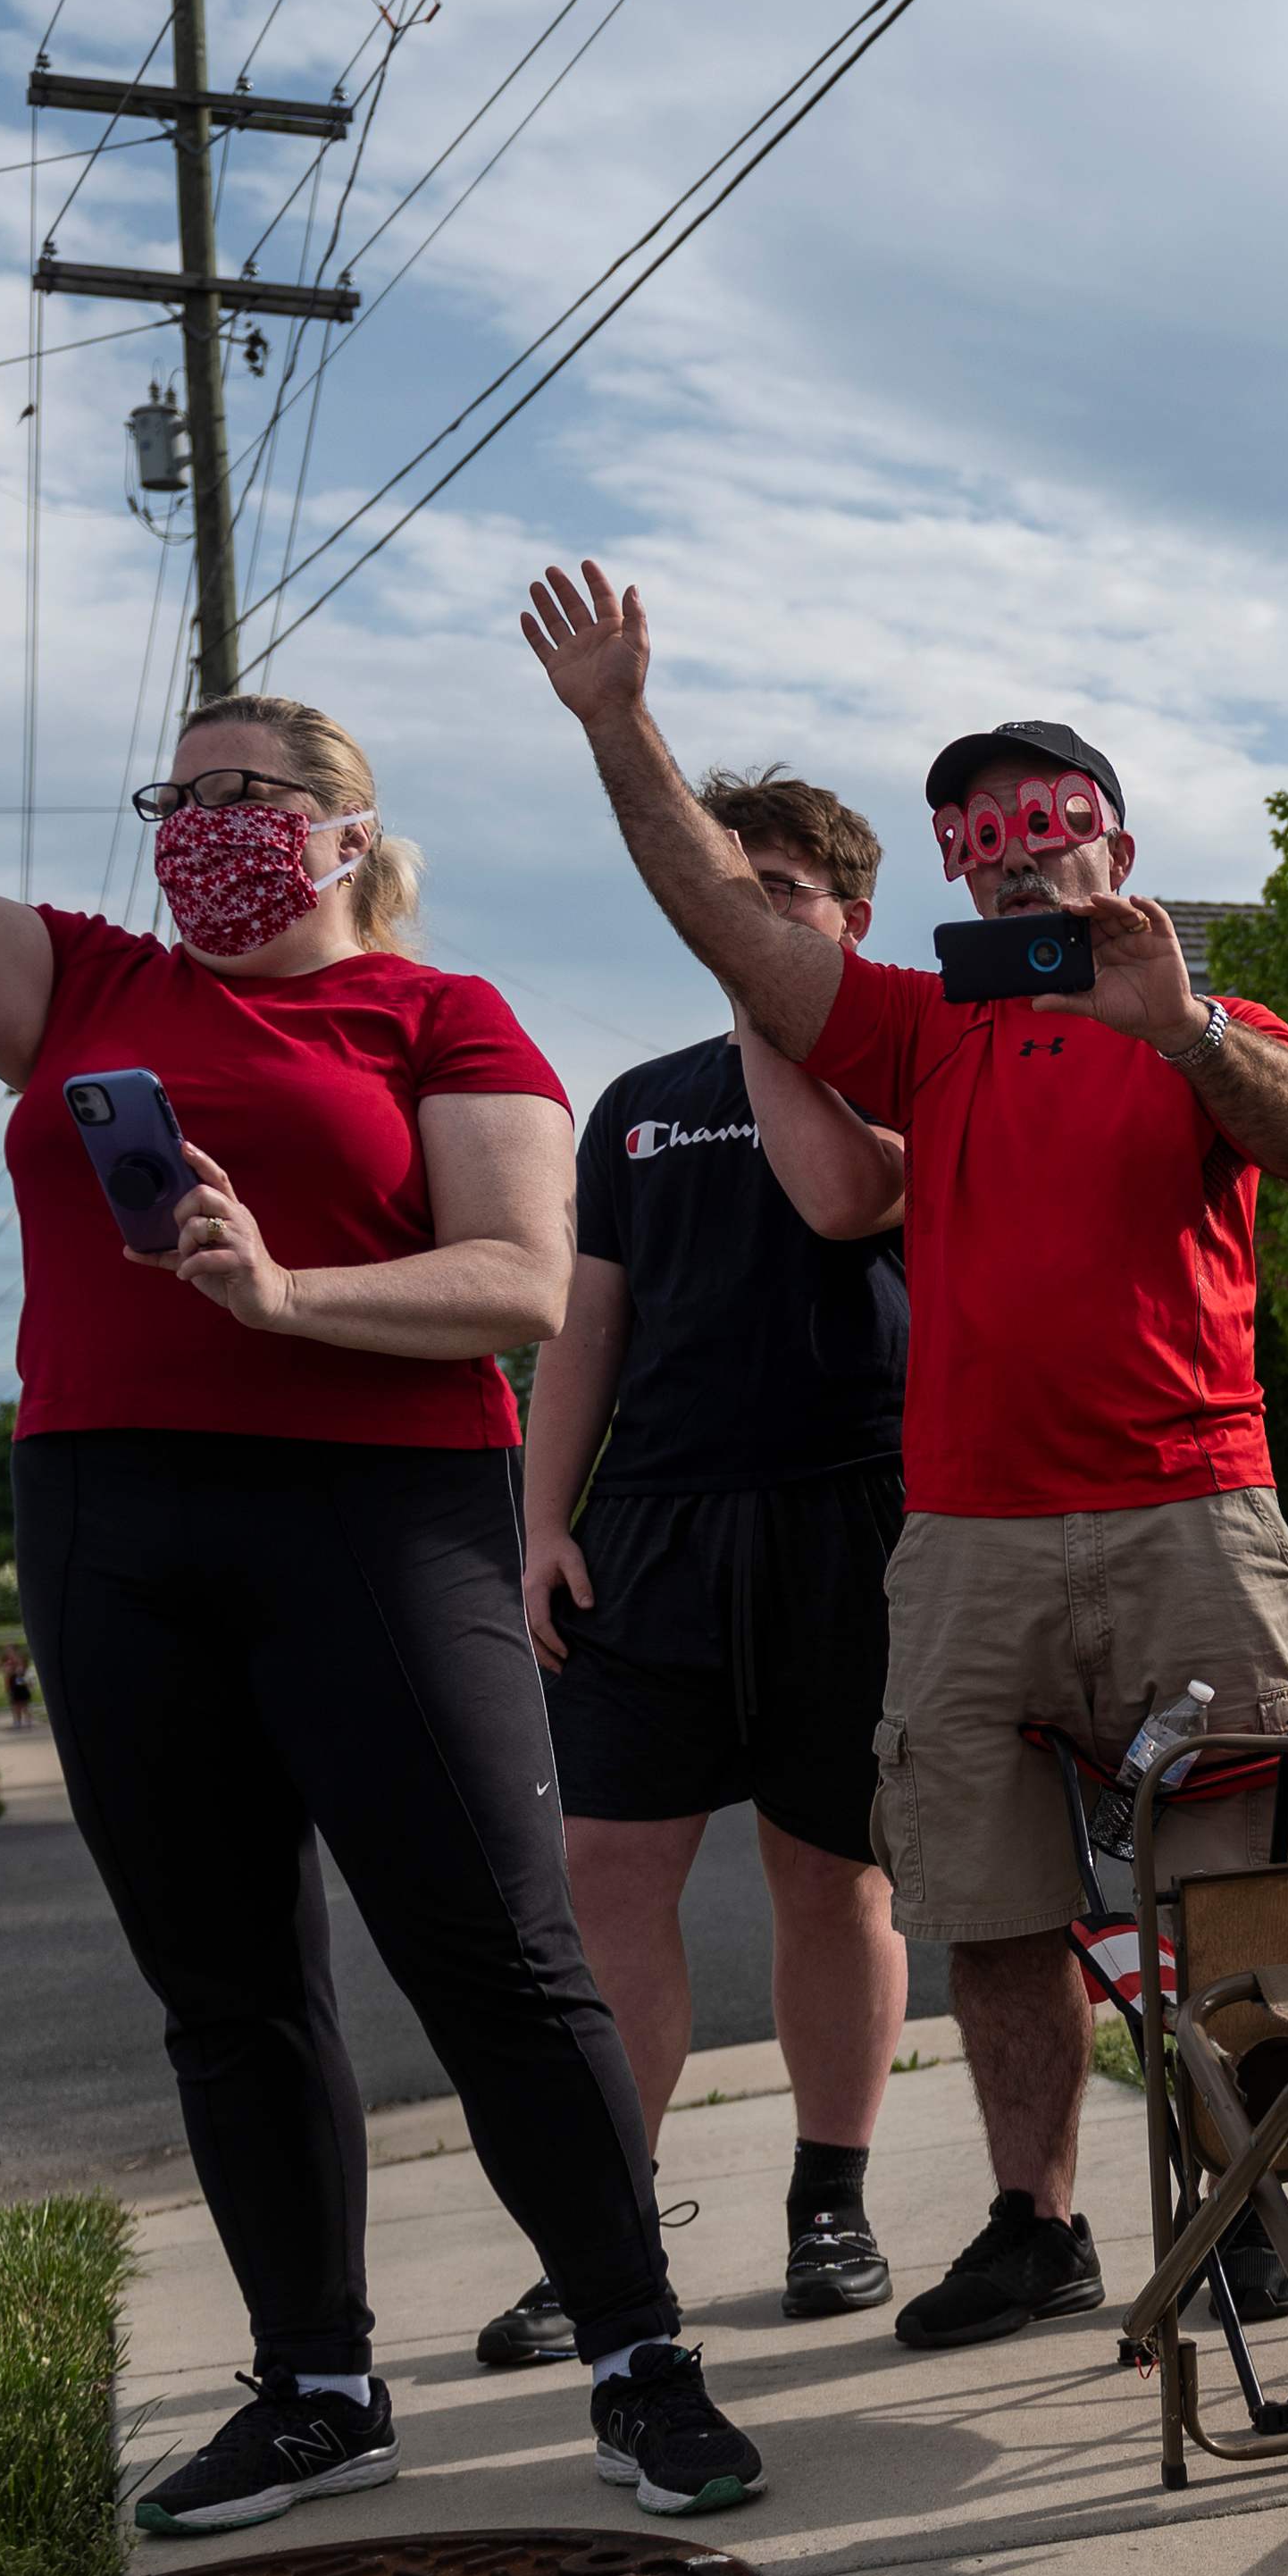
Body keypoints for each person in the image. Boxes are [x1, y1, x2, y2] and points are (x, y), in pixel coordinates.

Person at [0, 472, 765, 2534]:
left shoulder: (437, 1015)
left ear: (349, 832)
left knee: (494, 1954)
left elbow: (522, 1284)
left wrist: (284, 1292)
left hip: (376, 1515)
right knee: (222, 1973)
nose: (200, 826)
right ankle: (318, 2379)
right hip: (113, 1523)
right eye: (172, 799)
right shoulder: (85, 987)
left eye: (244, 789)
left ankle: (638, 2349)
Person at [519, 563, 1288, 2353]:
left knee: (1228, 1886)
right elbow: (731, 929)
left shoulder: (1208, 1029)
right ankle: (1032, 2220)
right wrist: (617, 722)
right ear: (953, 866)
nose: (1017, 856)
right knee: (987, 1896)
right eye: (979, 833)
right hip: (968, 1532)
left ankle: (1245, 2208)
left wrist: (1184, 1028)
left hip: (1187, 1511)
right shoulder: (920, 1027)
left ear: (1113, 841)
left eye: (1048, 822)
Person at [479, 766, 917, 2367]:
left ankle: (832, 2201)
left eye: (784, 894)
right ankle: (605, 2233)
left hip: (844, 1522)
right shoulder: (637, 1104)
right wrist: (539, 1527)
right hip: (648, 1538)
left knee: (831, 1878)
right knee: (608, 1885)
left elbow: (863, 1200)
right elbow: (584, 1331)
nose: (751, 916)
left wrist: (789, 1031)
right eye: (728, 889)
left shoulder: (901, 1076)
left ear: (849, 920)